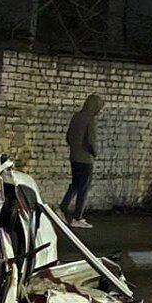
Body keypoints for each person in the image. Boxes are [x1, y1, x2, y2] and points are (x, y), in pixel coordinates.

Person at [62, 94, 103, 229]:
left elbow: (68, 137)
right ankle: (77, 217)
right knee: (83, 189)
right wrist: (95, 153)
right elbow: (91, 141)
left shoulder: (76, 116)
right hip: (86, 159)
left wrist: (75, 148)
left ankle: (62, 209)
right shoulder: (90, 120)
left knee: (75, 184)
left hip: (74, 157)